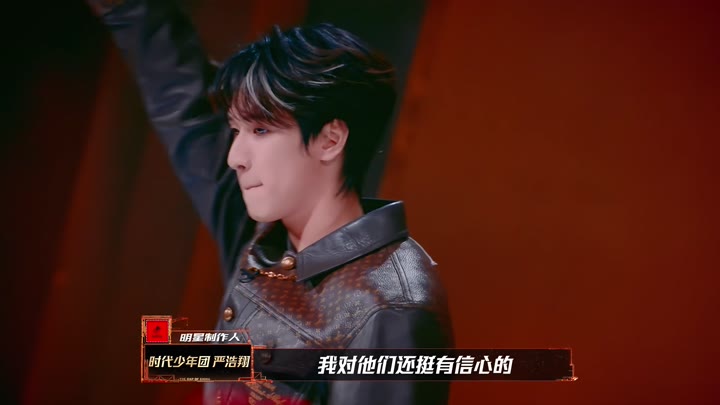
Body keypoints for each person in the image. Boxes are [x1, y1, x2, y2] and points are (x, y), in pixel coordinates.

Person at [88, 0, 453, 403]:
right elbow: (187, 109)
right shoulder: (266, 235)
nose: (235, 157)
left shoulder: (390, 307)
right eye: (236, 130)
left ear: (330, 140)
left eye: (260, 130)